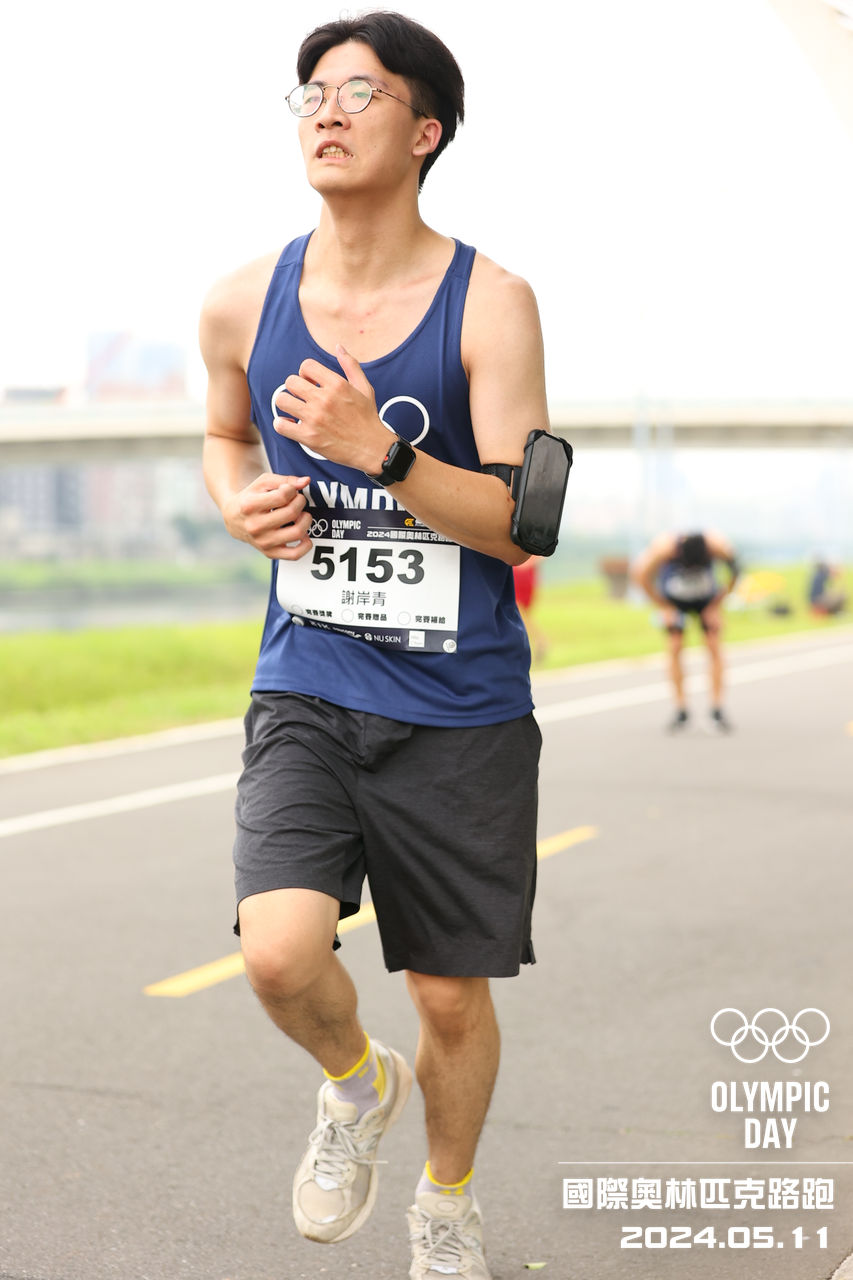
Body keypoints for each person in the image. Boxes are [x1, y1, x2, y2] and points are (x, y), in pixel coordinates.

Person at [199, 12, 546, 1279]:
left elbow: (524, 521)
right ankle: (356, 1085)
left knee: (448, 994)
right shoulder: (243, 299)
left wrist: (381, 452)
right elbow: (226, 434)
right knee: (278, 951)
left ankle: (445, 1206)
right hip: (308, 674)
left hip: (459, 704)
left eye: (360, 92)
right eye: (311, 94)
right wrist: (237, 501)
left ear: (425, 131)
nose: (327, 112)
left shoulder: (490, 303)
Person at [631, 530, 739, 733]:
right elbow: (640, 575)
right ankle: (681, 709)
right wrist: (663, 606)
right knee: (675, 646)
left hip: (705, 598)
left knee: (714, 645)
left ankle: (717, 708)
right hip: (675, 600)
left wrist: (717, 604)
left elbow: (736, 571)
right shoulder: (664, 548)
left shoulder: (717, 546)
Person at [512, 555, 548, 664]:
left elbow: (542, 555)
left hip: (522, 576)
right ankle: (540, 642)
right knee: (520, 615)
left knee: (521, 614)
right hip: (518, 574)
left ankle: (541, 641)